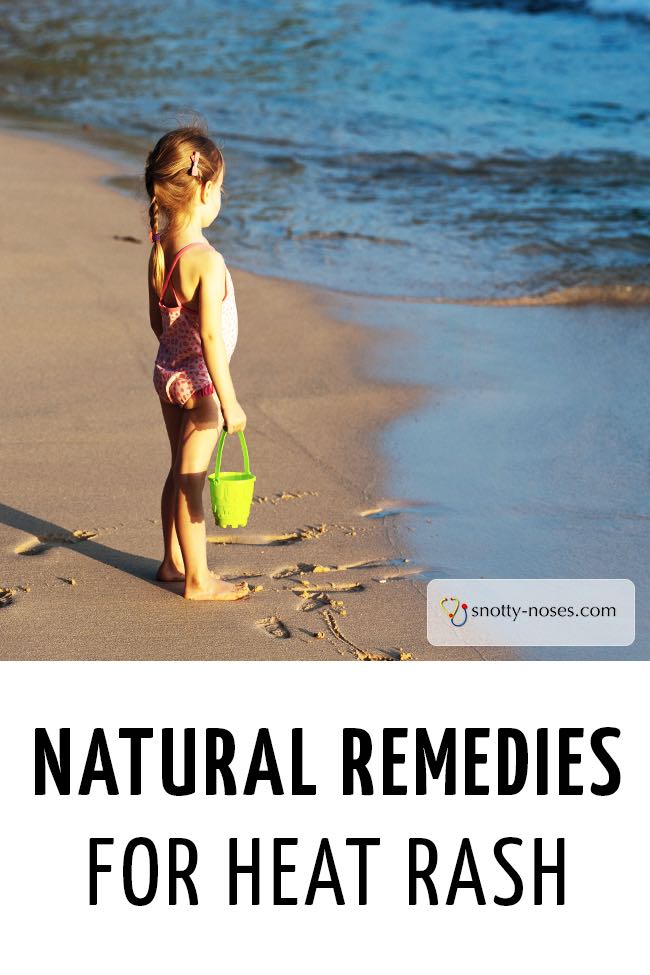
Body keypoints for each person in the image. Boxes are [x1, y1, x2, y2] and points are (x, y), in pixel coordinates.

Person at [145, 124, 251, 601]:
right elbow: (210, 335)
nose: (221, 197)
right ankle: (198, 579)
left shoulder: (160, 247)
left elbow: (157, 321)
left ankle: (172, 561)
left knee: (176, 468)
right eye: (221, 188)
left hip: (167, 373)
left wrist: (176, 359)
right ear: (205, 189)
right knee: (192, 480)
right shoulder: (206, 260)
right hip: (202, 386)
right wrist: (229, 403)